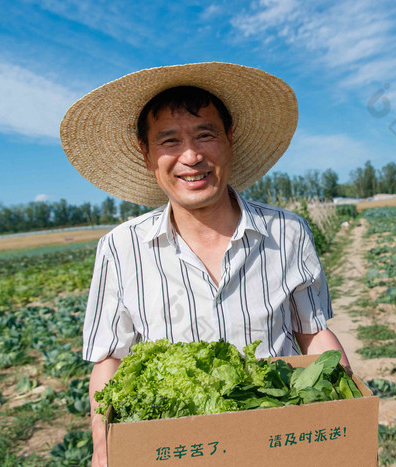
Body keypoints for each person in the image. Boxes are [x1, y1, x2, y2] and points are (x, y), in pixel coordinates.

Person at [59, 62, 350, 466]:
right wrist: (103, 445)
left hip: (277, 441)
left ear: (229, 140)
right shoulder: (120, 248)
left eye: (205, 135)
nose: (191, 156)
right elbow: (111, 359)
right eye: (170, 141)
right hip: (179, 449)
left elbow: (313, 333)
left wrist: (348, 410)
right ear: (147, 155)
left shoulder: (288, 232)